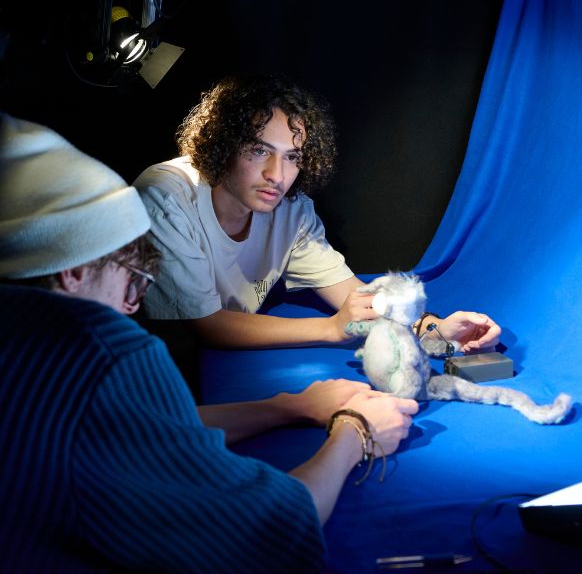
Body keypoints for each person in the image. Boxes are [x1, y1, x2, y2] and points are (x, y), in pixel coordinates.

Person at [0, 113, 418, 573]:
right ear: (74, 270)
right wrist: (355, 432)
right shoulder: (107, 357)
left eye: (292, 157)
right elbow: (266, 533)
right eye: (131, 278)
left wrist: (289, 407)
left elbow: (144, 428)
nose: (131, 306)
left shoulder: (23, 351)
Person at [133, 73, 501, 368]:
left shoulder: (291, 210)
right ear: (222, 144)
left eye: (292, 157)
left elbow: (353, 295)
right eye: (259, 150)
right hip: (149, 370)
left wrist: (432, 329)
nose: (277, 175)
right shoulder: (166, 197)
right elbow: (208, 325)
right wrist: (330, 329)